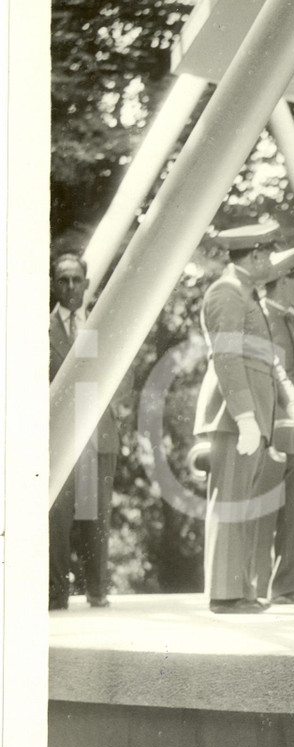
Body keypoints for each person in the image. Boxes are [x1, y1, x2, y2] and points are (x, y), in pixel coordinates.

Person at [194, 221, 294, 614]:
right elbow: (227, 358)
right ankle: (226, 594)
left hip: (252, 418)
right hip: (235, 419)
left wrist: (293, 401)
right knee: (230, 503)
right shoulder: (226, 294)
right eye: (266, 254)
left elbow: (269, 361)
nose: (270, 262)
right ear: (255, 256)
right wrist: (246, 416)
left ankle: (241, 591)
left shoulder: (244, 296)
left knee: (243, 505)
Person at [49, 252, 133, 610]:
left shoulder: (100, 325)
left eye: (76, 280)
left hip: (97, 435)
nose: (70, 287)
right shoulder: (41, 329)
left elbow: (125, 379)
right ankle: (55, 595)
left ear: (86, 283)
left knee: (96, 518)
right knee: (57, 519)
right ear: (54, 284)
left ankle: (98, 591)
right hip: (58, 439)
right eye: (63, 280)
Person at [254, 246, 294, 604]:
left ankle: (286, 586)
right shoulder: (268, 321)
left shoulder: (282, 319)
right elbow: (276, 377)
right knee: (275, 512)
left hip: (292, 430)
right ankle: (270, 586)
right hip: (279, 429)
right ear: (279, 282)